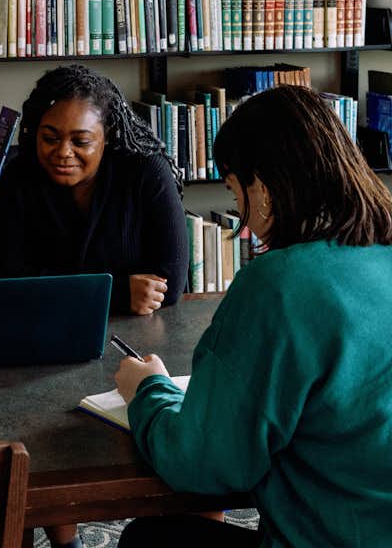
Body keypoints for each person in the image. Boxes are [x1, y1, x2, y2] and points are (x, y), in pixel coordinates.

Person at [115, 85, 392, 547]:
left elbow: (204, 463)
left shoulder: (277, 284)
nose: (240, 211)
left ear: (260, 188)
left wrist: (148, 392)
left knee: (149, 540)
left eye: (233, 189)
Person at [0, 64, 188, 316]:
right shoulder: (19, 176)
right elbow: (9, 281)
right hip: (45, 327)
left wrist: (54, 286)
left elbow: (170, 284)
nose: (63, 152)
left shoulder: (147, 171)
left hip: (138, 334)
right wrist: (118, 293)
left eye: (80, 141)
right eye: (50, 139)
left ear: (106, 137)